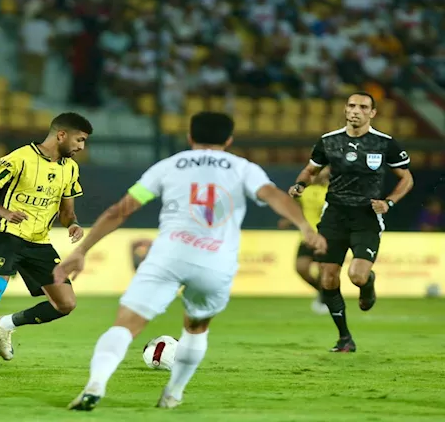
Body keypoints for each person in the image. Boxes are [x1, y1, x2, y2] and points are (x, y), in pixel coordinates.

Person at [52, 112, 327, 411]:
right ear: (229, 140)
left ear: (190, 137)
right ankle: (173, 393)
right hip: (215, 261)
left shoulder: (169, 165)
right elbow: (274, 195)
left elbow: (120, 211)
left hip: (169, 255)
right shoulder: (243, 168)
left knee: (126, 324)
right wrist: (305, 227)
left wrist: (82, 250)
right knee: (196, 327)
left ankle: (96, 384)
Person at [0, 112, 91, 370]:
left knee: (66, 304)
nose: (81, 147)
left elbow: (67, 212)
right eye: (79, 140)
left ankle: (5, 324)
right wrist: (5, 213)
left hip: (39, 242)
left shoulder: (70, 168)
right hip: (6, 235)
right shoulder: (19, 158)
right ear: (61, 135)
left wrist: (73, 224)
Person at [289, 92, 414, 353]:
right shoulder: (328, 141)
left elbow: (406, 178)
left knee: (356, 276)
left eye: (363, 107)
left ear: (373, 113)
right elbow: (310, 170)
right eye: (352, 105)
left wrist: (389, 203)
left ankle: (367, 283)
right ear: (345, 110)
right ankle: (344, 337)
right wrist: (300, 184)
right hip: (334, 216)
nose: (356, 110)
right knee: (327, 279)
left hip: (366, 217)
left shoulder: (385, 143)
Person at [278, 166, 330, 314]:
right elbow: (296, 206)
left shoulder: (332, 191)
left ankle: (324, 298)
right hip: (308, 236)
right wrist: (288, 220)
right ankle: (323, 293)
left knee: (324, 270)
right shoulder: (305, 190)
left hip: (326, 236)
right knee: (301, 268)